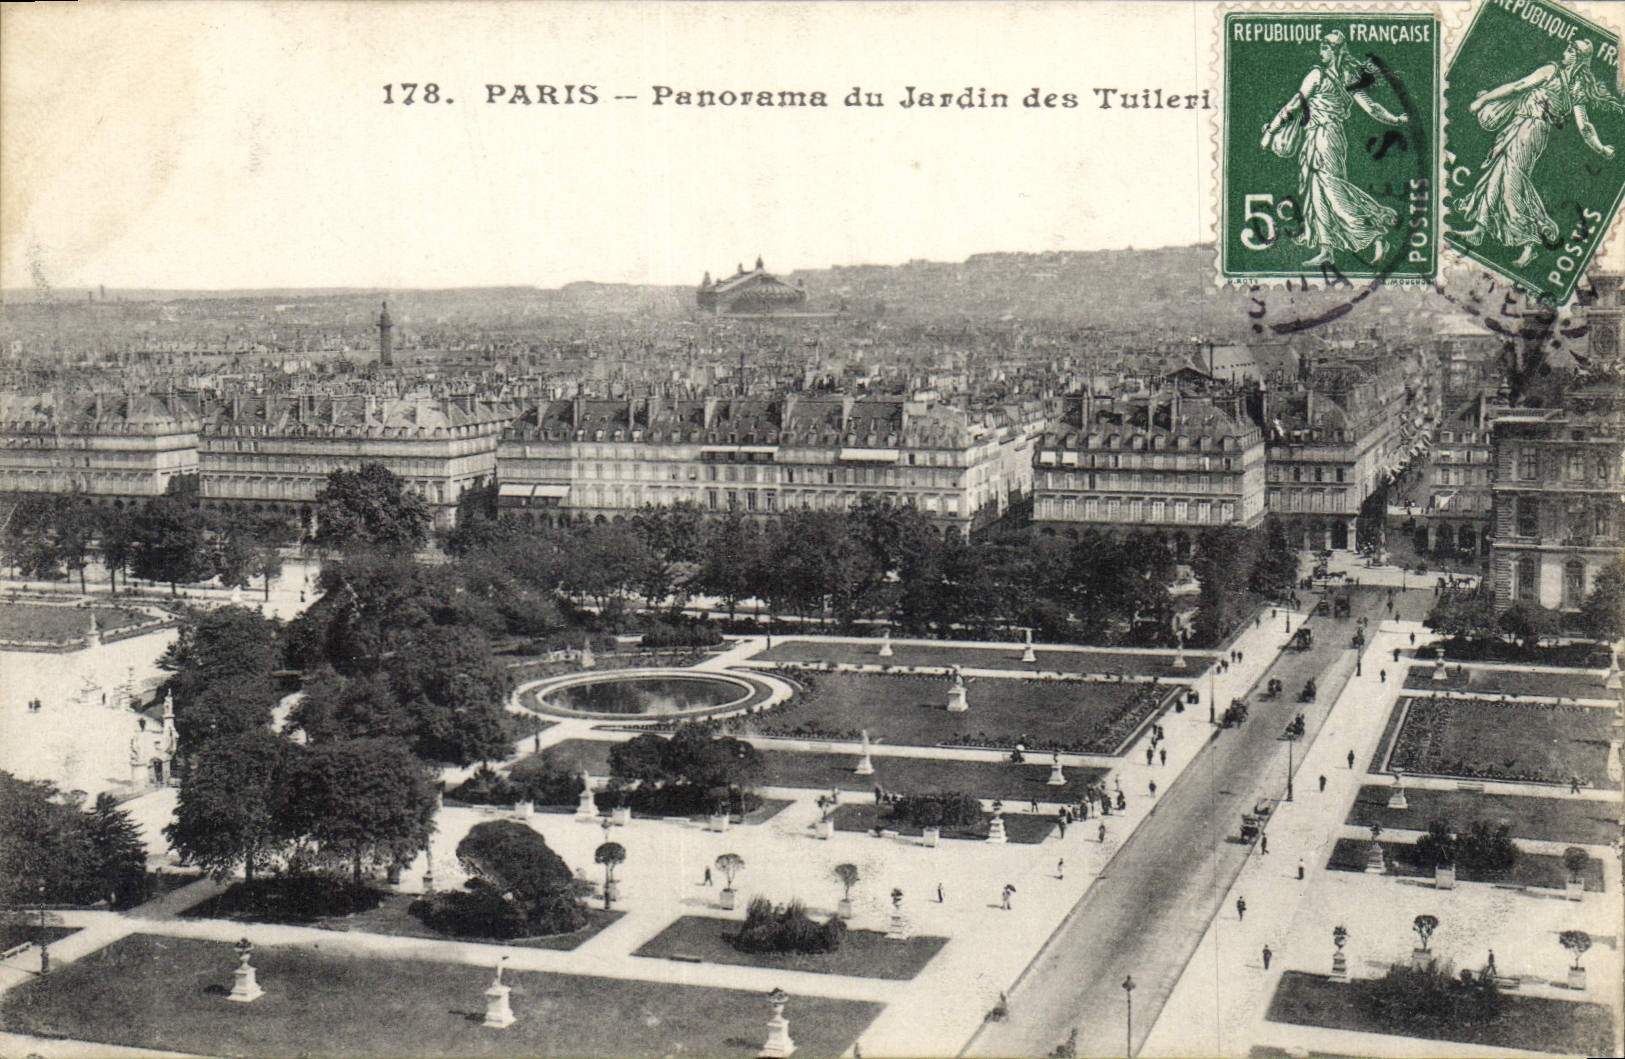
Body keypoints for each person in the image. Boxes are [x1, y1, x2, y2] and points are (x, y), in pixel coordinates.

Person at [1453, 38, 1620, 268]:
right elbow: (1583, 124)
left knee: (1512, 182)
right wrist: (1601, 147)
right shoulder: (1569, 81)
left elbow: (1519, 86)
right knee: (1499, 174)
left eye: (1571, 50)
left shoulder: (1559, 76)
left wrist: (1483, 99)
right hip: (1524, 128)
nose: (1566, 51)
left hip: (1531, 131)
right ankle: (1479, 229)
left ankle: (1530, 240)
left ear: (1579, 58)